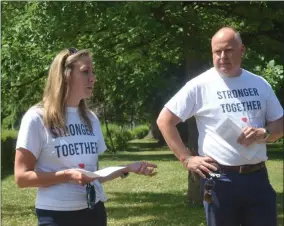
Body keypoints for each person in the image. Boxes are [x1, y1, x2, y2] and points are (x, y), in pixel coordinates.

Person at [14, 48, 157, 226]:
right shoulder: (37, 118)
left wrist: (127, 168)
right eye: (85, 71)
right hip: (56, 216)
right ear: (65, 76)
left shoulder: (90, 119)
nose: (92, 78)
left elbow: (93, 175)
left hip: (94, 212)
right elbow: (21, 178)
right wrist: (67, 175)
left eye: (92, 72)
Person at [157, 27, 283, 226]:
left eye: (228, 50)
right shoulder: (199, 86)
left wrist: (263, 133)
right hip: (220, 181)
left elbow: (279, 124)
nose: (222, 56)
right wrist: (187, 159)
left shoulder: (259, 84)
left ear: (242, 50)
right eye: (217, 52)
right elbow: (165, 120)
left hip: (258, 179)